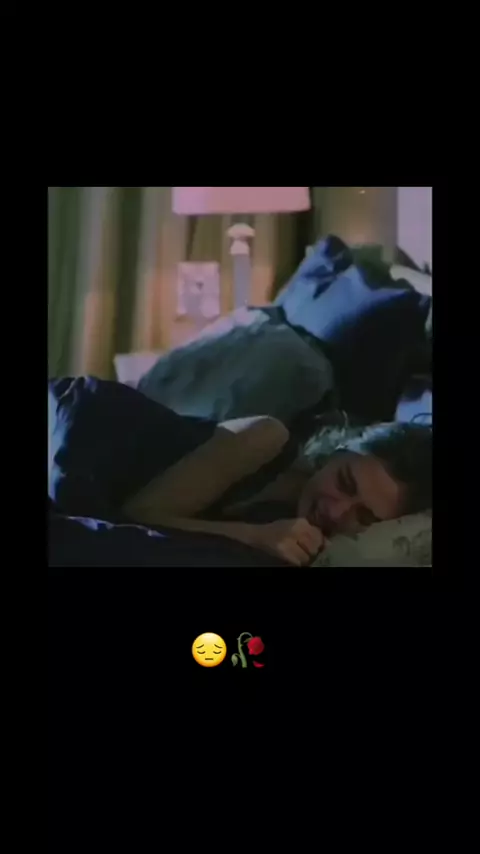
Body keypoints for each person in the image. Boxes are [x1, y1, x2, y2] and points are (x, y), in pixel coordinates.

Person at [123, 419, 432, 567]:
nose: (335, 512)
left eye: (363, 517)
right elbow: (135, 517)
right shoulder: (267, 439)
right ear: (338, 451)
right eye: (345, 482)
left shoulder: (308, 547)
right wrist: (254, 535)